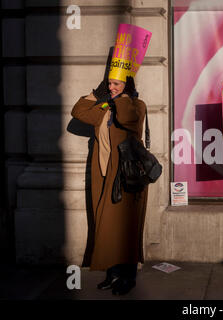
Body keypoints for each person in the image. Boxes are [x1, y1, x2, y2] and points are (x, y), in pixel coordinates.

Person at [71, 76, 148, 295]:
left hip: (126, 175)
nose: (112, 88)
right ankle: (112, 274)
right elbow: (79, 113)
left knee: (127, 227)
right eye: (110, 84)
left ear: (127, 86)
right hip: (104, 174)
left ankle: (128, 276)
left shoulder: (136, 105)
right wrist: (97, 94)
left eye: (117, 84)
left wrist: (122, 97)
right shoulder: (105, 107)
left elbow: (127, 120)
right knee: (106, 226)